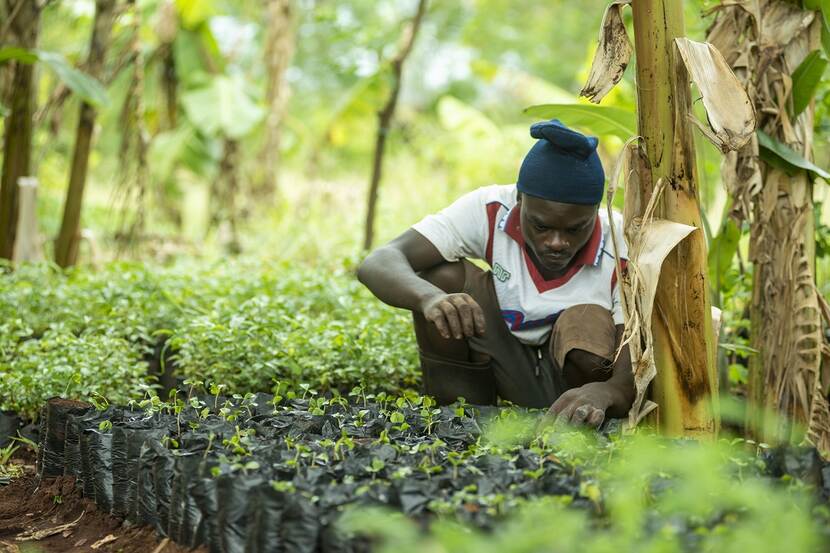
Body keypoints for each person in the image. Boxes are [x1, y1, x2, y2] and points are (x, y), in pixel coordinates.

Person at [357, 119, 634, 427]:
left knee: (585, 320)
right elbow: (379, 261)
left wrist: (608, 391)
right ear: (519, 200)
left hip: (575, 386)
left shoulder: (620, 242)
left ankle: (577, 424)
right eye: (541, 226)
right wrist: (430, 298)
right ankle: (459, 416)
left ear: (594, 211)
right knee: (441, 279)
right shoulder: (490, 209)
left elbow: (631, 366)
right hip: (504, 363)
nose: (557, 243)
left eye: (575, 229)